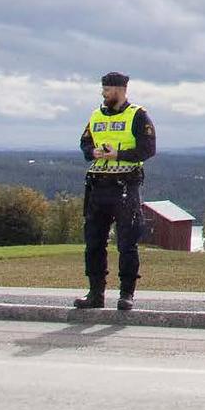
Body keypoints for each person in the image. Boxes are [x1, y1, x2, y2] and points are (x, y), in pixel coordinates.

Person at [73, 71, 156, 312]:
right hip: (98, 185)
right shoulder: (96, 115)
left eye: (107, 89)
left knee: (127, 243)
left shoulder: (138, 115)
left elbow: (148, 149)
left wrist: (118, 155)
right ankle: (95, 293)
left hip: (125, 186)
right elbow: (85, 142)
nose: (103, 93)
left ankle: (126, 294)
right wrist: (92, 152)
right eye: (103, 89)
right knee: (94, 242)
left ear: (120, 90)